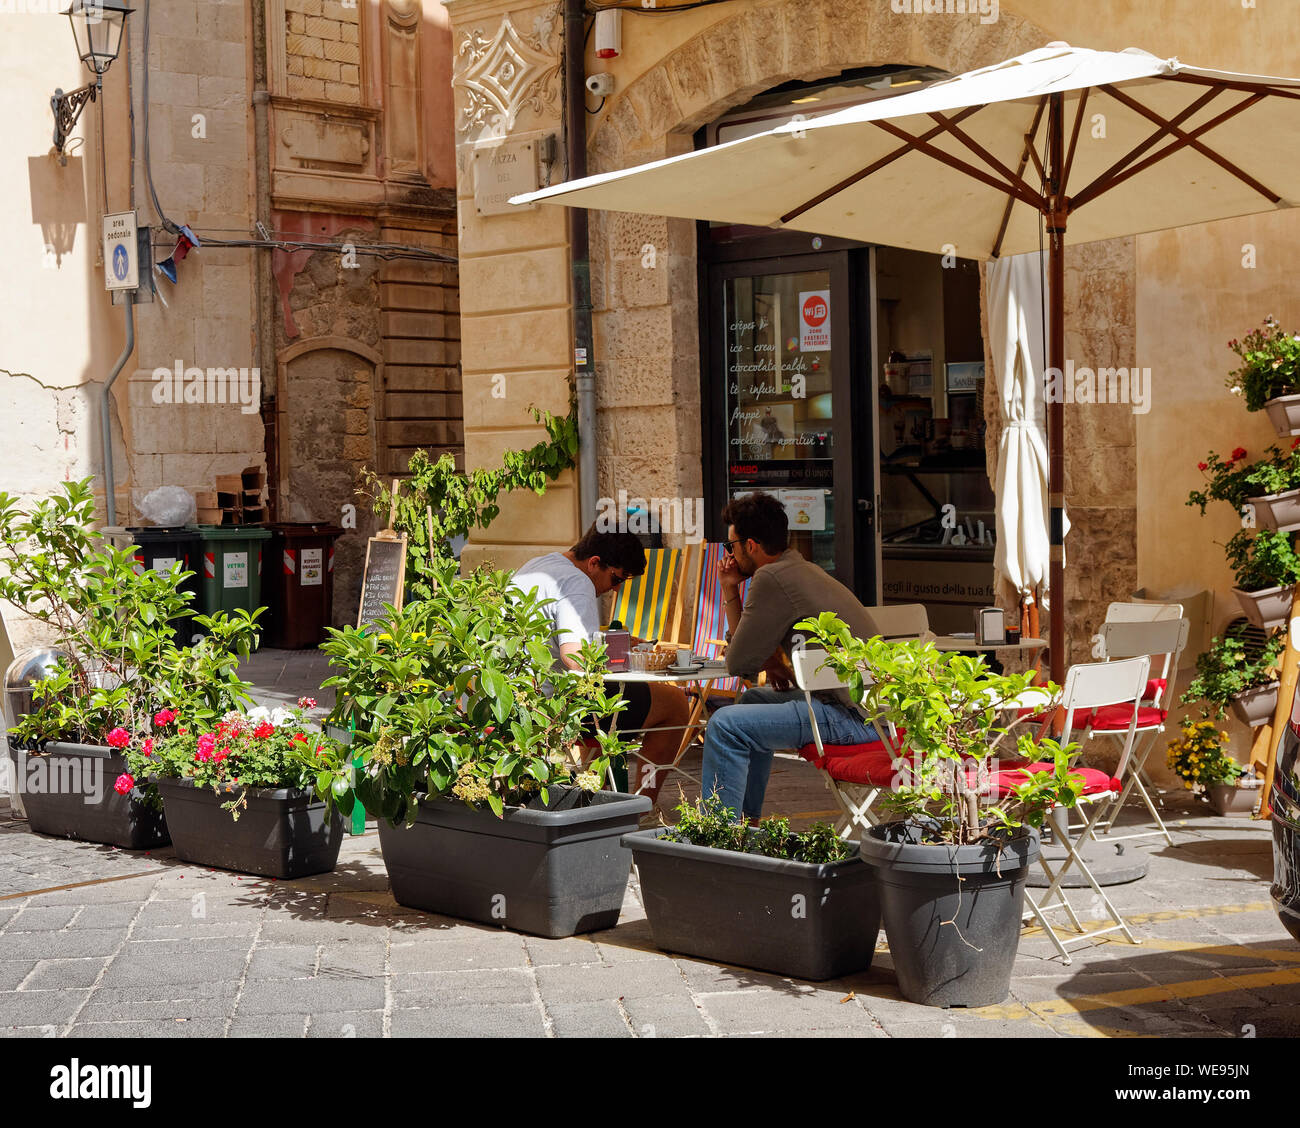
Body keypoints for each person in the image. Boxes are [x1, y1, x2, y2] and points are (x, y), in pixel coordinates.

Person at [701, 493, 881, 821]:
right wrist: (771, 660)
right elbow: (752, 651)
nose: (729, 554)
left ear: (751, 545)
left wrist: (729, 591)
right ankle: (747, 820)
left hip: (854, 718)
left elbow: (739, 662)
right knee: (754, 698)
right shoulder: (799, 568)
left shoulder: (771, 579)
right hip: (873, 714)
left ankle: (718, 836)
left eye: (731, 546)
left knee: (724, 725)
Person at [512, 527, 690, 799]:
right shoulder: (578, 582)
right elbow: (574, 657)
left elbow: (554, 635)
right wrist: (620, 659)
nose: (615, 588)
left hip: (508, 696)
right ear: (594, 562)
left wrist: (605, 642)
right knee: (675, 703)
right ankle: (645, 803)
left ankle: (608, 791)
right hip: (550, 707)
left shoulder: (541, 564)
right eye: (616, 578)